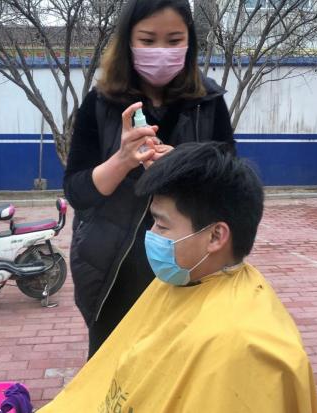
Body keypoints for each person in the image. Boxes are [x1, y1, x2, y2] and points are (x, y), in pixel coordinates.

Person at [40, 142, 317, 413]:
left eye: (162, 225)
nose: (151, 234)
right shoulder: (183, 280)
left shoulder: (242, 345)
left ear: (216, 236)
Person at [65, 0, 235, 357]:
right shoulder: (101, 104)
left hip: (190, 268)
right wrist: (122, 160)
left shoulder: (208, 102)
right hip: (113, 274)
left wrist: (186, 165)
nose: (161, 51)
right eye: (147, 40)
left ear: (190, 42)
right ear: (128, 41)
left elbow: (232, 182)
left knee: (182, 370)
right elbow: (77, 192)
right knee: (115, 370)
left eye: (174, 40)